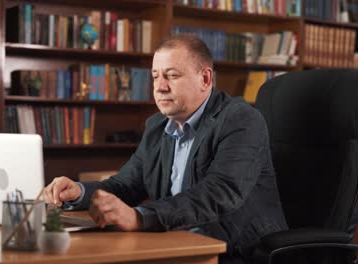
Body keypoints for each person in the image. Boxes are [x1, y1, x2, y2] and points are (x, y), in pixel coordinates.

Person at [43, 35, 287, 262]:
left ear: (205, 79)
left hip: (241, 250)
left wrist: (139, 217)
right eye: (155, 75)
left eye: (171, 75)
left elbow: (218, 193)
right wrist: (79, 192)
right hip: (179, 239)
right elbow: (127, 184)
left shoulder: (241, 119)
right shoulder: (158, 126)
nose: (159, 87)